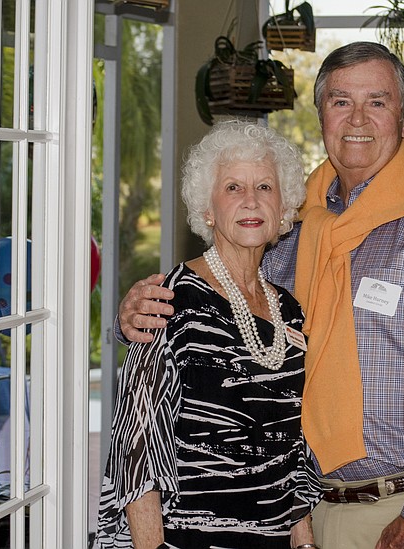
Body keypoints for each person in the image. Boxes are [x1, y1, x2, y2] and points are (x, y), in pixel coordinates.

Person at [117, 42, 404, 549]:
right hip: (308, 514)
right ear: (321, 115)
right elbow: (216, 320)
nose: (357, 118)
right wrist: (132, 317)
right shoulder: (296, 231)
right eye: (341, 101)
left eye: (377, 101)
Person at [94, 120, 321, 549]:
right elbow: (136, 450)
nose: (251, 200)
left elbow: (293, 449)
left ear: (283, 209)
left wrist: (305, 542)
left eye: (265, 187)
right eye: (233, 187)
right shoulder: (170, 300)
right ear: (208, 210)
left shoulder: (289, 311)